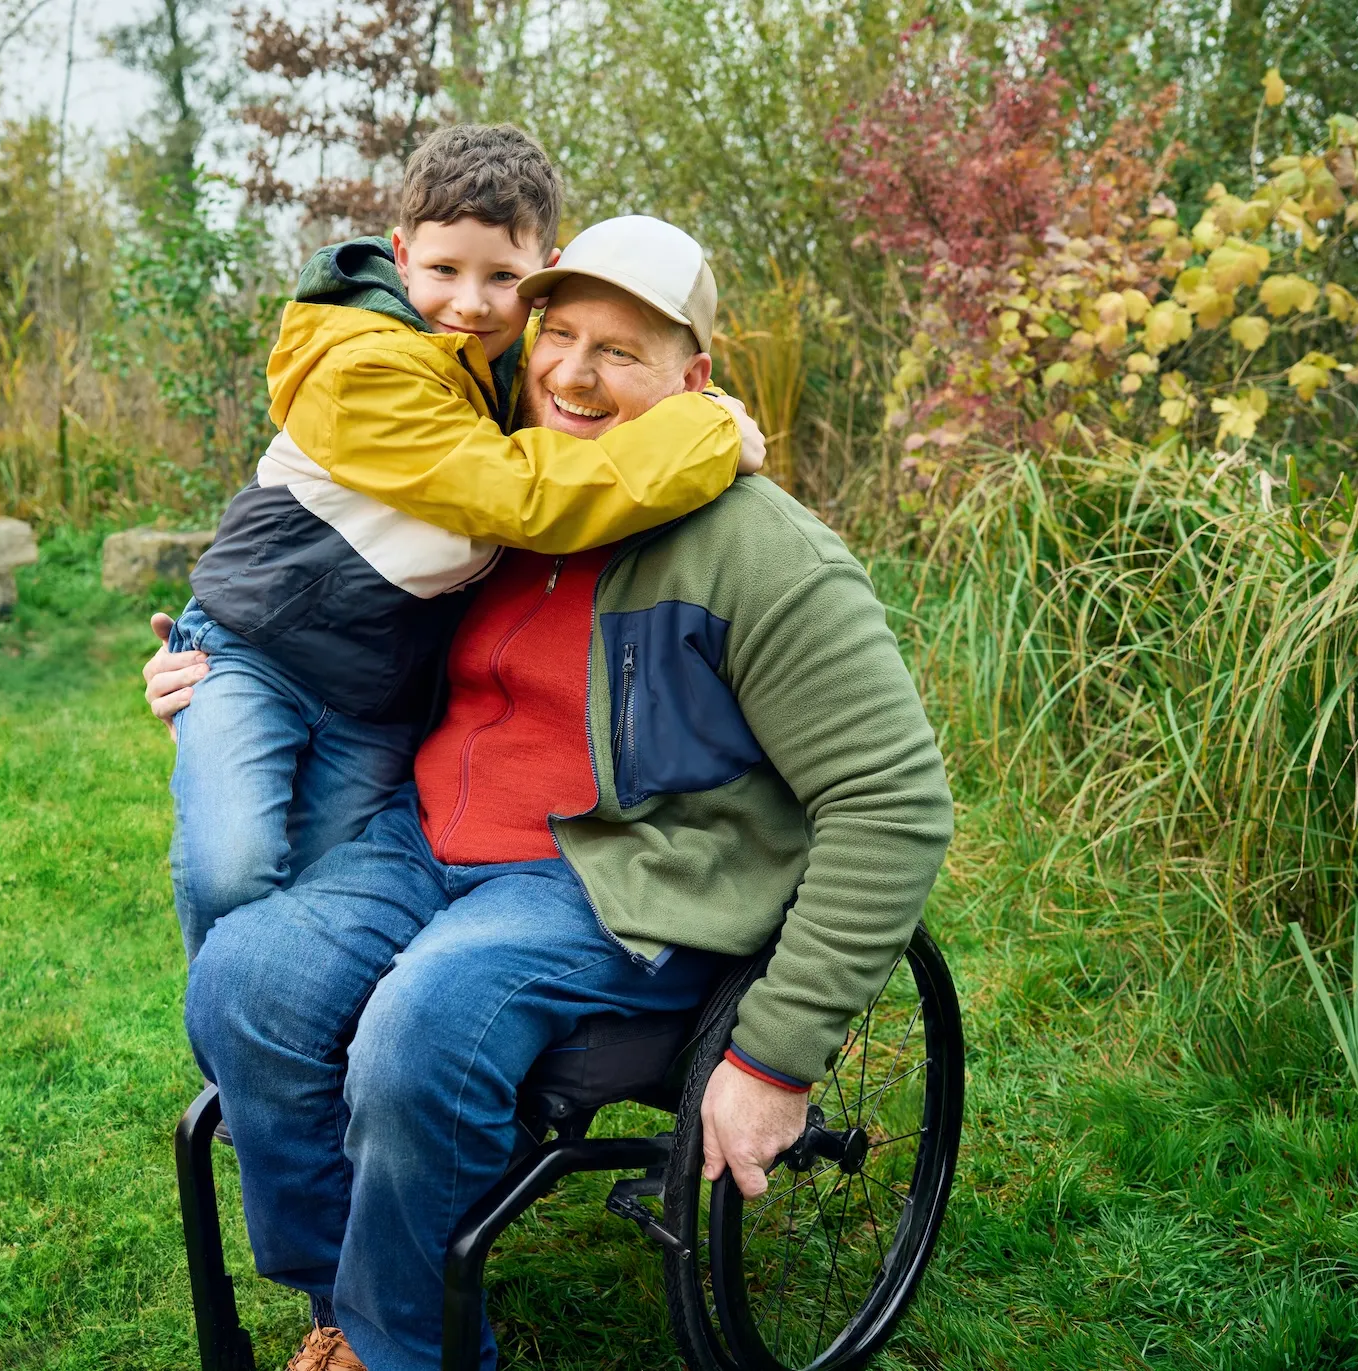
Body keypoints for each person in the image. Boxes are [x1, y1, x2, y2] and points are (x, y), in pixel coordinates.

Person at [143, 217, 954, 1371]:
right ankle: (350, 1311)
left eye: (620, 351)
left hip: (609, 876)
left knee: (420, 1028)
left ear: (695, 378)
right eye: (557, 333)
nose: (574, 371)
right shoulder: (499, 496)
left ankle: (402, 1353)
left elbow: (894, 800)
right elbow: (310, 599)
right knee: (244, 980)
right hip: (422, 840)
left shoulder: (765, 555)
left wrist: (778, 1060)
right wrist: (210, 669)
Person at [166, 124, 762, 959]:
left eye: (504, 279)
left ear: (538, 279)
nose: (473, 302)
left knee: (318, 894)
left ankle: (305, 1048)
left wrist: (691, 404)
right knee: (233, 868)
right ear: (402, 256)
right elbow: (524, 493)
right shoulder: (366, 368)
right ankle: (229, 1058)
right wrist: (704, 436)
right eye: (445, 271)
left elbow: (612, 391)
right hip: (267, 653)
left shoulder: (501, 370)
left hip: (376, 694)